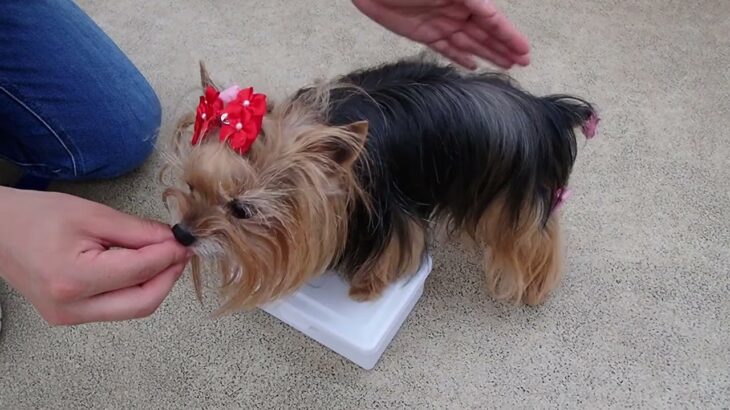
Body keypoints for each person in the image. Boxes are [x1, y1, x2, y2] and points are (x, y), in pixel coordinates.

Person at [0, 0, 530, 327]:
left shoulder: (333, 178)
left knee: (398, 243)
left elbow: (398, 232)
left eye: (241, 211)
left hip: (513, 142)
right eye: (192, 190)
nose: (187, 225)